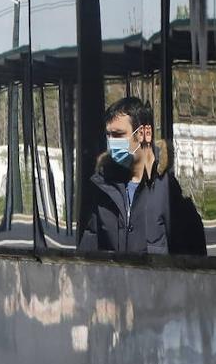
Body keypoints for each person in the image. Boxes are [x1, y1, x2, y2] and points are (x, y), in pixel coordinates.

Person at [78, 97, 203, 255]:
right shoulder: (103, 187)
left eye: (118, 135)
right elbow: (88, 251)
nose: (111, 142)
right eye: (108, 135)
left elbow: (189, 254)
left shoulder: (167, 189)